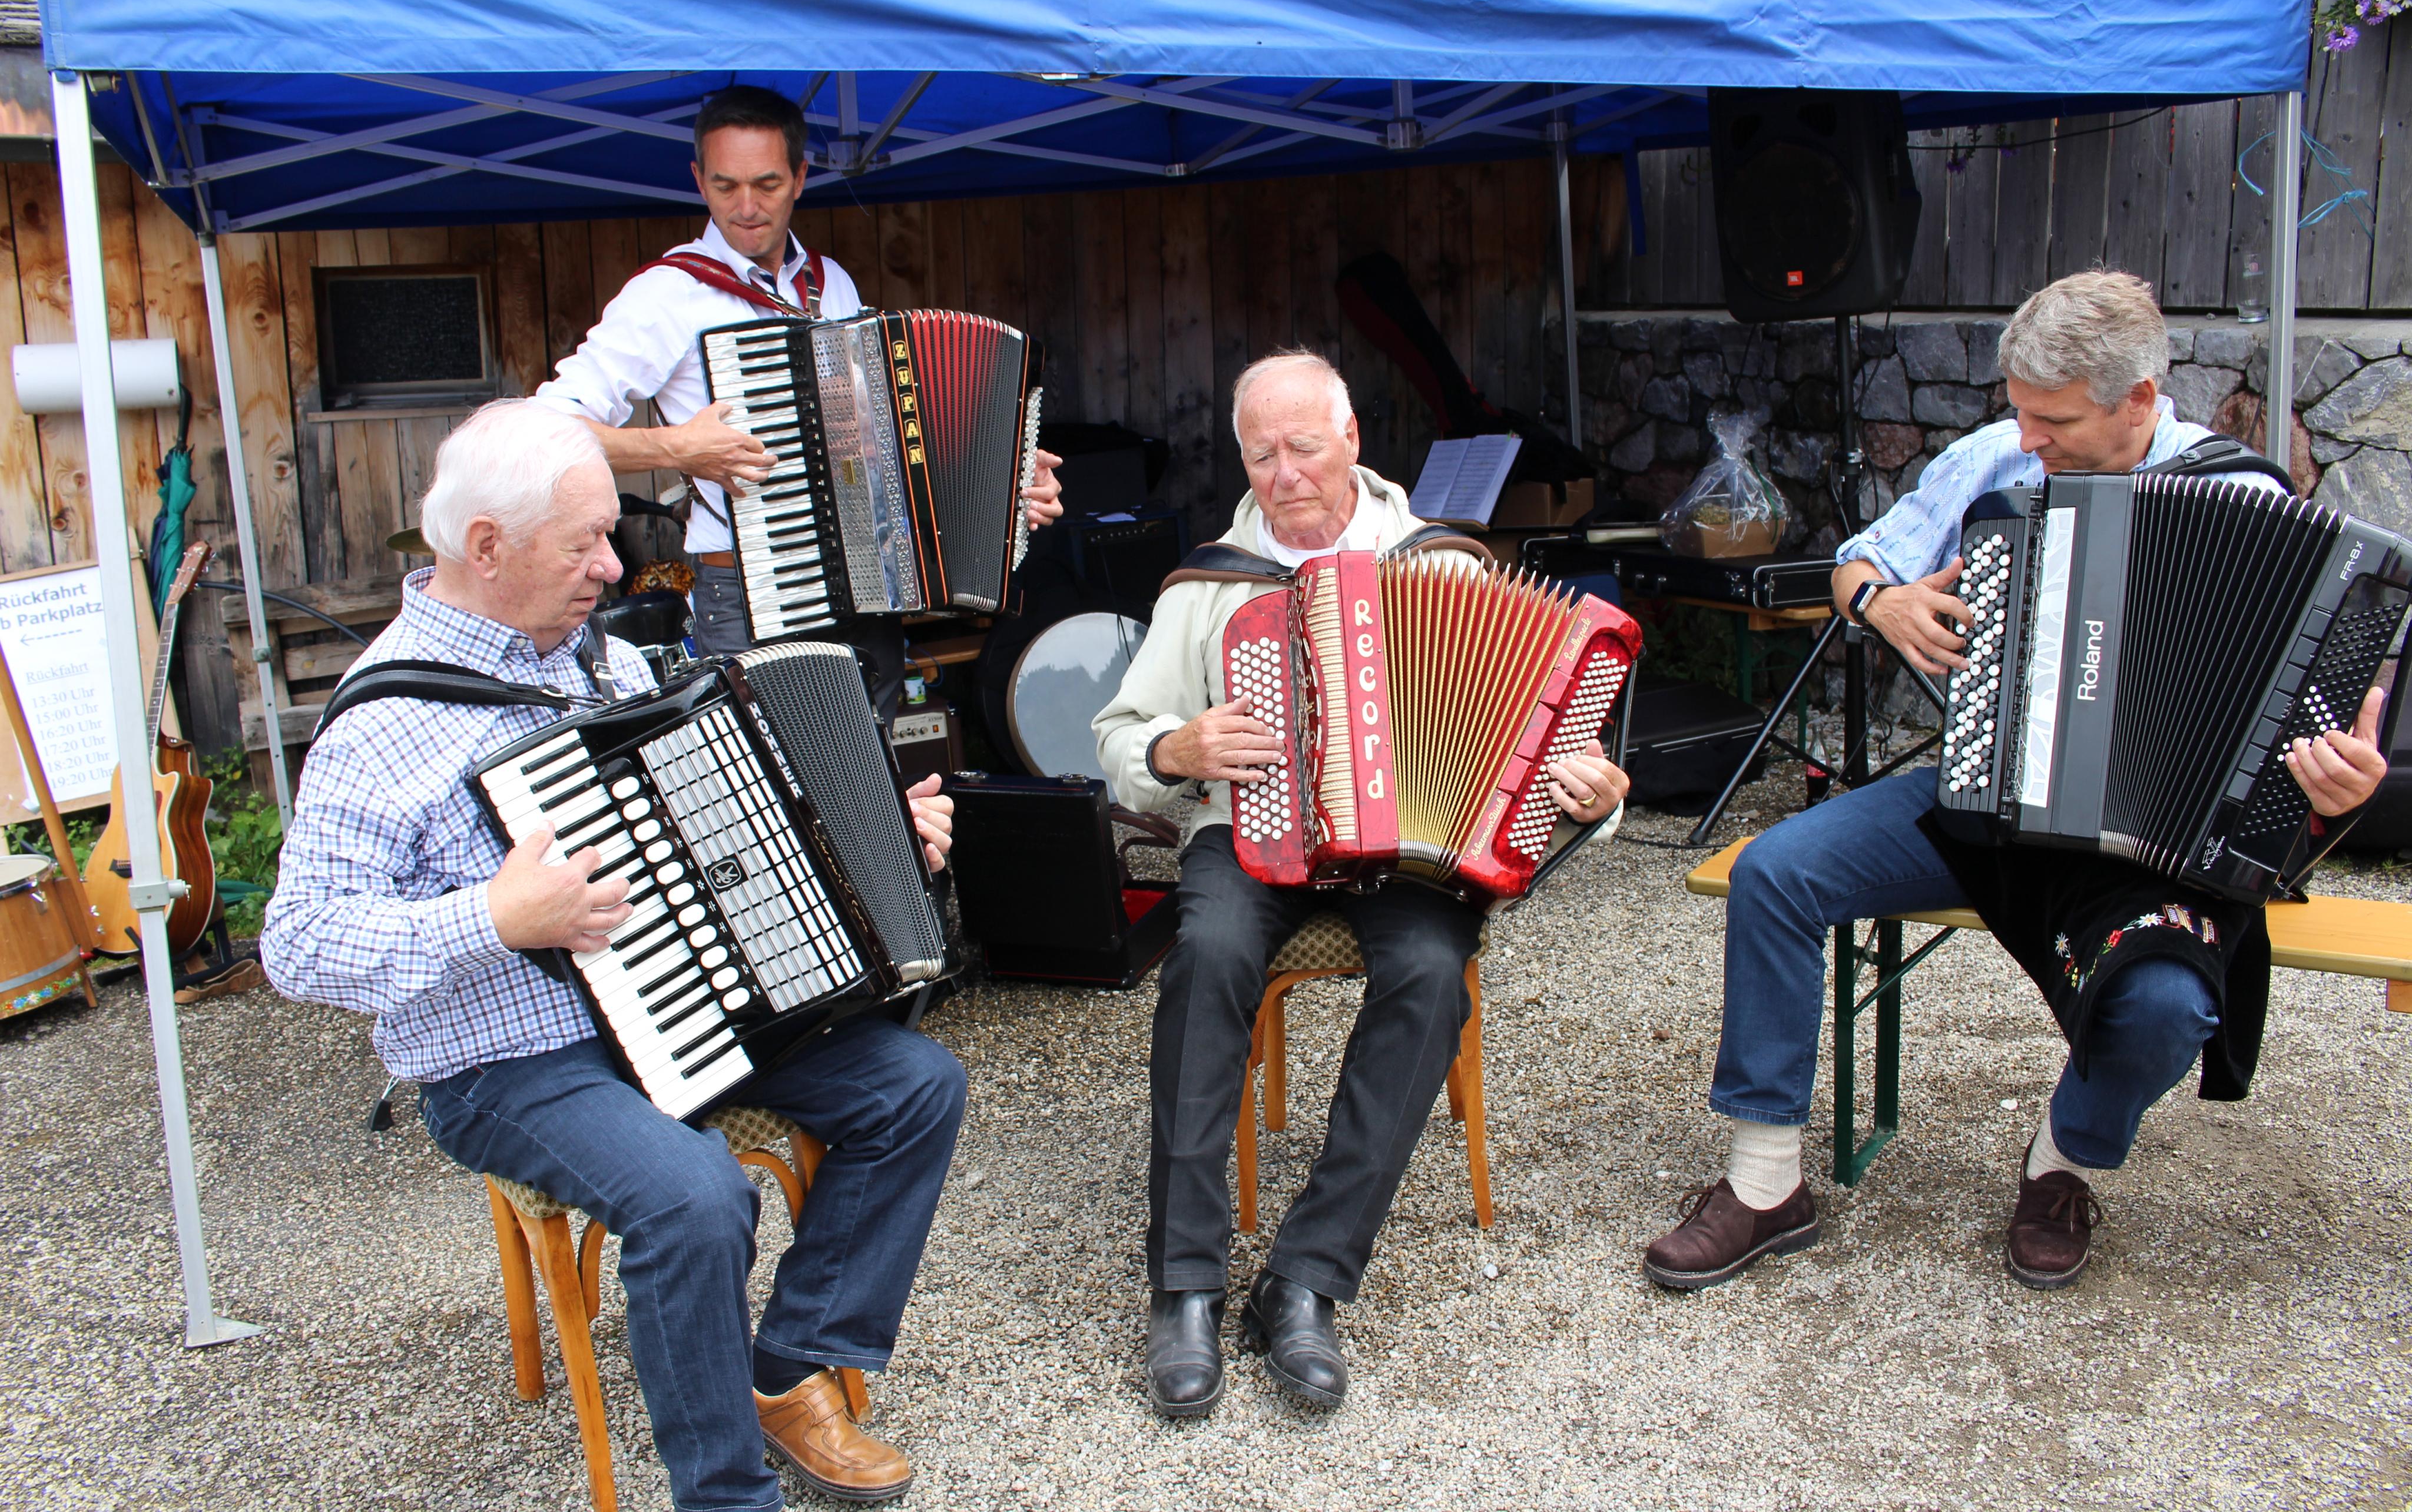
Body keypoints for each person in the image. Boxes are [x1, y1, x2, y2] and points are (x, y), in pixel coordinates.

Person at [262, 401, 965, 1509]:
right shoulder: (381, 726)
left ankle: (788, 1371)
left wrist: (876, 836)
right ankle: (724, 1495)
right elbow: (297, 945)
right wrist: (493, 917)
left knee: (915, 1087)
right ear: (487, 546)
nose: (612, 566)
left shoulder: (614, 666)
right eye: (584, 541)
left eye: (609, 535)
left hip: (683, 1005)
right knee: (696, 1196)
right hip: (510, 1062)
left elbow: (730, 839)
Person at [1643, 271, 2391, 1294]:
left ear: (2138, 398)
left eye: (2056, 422)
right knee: (1777, 873)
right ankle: (1766, 1182)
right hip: (1985, 796)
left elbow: (2301, 759)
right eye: (2022, 414)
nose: (2028, 440)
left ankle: (2061, 1161)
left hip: (2146, 856)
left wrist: (2338, 789)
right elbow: (1857, 565)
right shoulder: (1996, 455)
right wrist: (1879, 604)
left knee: (2168, 1009)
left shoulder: (2248, 504)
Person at [1093, 351, 1631, 1416]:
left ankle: (1306, 1278)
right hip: (1246, 831)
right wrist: (1173, 749)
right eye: (1261, 455)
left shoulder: (1444, 567)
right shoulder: (1210, 582)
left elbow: (1540, 750)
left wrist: (1595, 794)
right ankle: (1186, 1283)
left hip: (1411, 852)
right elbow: (1118, 735)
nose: (1284, 474)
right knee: (1208, 956)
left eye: (1303, 447)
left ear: (1351, 440)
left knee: (1432, 972)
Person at [533, 83, 1063, 704]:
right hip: (748, 594)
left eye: (767, 184)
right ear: (699, 180)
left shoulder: (829, 283)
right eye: (726, 186)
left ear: (800, 177)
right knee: (774, 767)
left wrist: (1000, 479)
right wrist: (676, 449)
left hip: (864, 594)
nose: (747, 207)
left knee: (873, 763)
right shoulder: (666, 295)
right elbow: (544, 430)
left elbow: (883, 444)